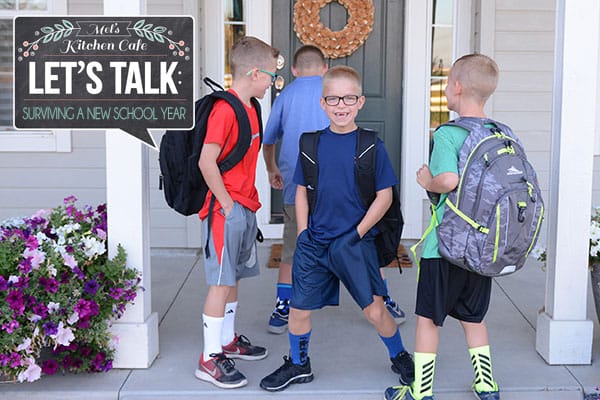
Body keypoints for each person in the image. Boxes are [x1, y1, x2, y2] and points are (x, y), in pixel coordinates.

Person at [260, 65, 414, 392]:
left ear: (360, 101)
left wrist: (356, 234)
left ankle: (399, 355)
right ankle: (299, 364)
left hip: (355, 243)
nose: (341, 105)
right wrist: (303, 234)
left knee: (375, 309)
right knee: (299, 310)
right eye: (333, 98)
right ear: (323, 103)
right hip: (315, 242)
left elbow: (385, 197)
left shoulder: (371, 145)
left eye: (348, 98)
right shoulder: (311, 144)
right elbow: (301, 190)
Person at [384, 54, 501, 400]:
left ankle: (420, 391)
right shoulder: (498, 132)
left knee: (428, 320)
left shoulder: (449, 133)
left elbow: (448, 180)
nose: (446, 88)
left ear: (459, 87)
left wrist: (427, 180)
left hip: (445, 247)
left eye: (448, 82)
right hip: (481, 247)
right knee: (473, 319)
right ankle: (487, 386)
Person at [194, 36, 279, 390]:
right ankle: (209, 358)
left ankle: (227, 341)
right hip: (224, 210)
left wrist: (270, 170)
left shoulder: (251, 107)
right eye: (272, 76)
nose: (273, 83)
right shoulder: (225, 109)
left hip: (246, 204)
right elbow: (206, 161)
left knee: (233, 278)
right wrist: (228, 205)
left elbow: (253, 151)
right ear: (255, 73)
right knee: (220, 282)